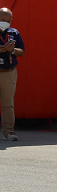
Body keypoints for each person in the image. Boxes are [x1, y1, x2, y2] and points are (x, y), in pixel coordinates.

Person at [0, 7, 23, 141]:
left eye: (9, 21)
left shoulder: (14, 33)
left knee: (8, 104)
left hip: (9, 72)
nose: (6, 23)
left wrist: (12, 50)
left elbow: (22, 51)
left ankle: (8, 131)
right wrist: (2, 49)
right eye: (3, 19)